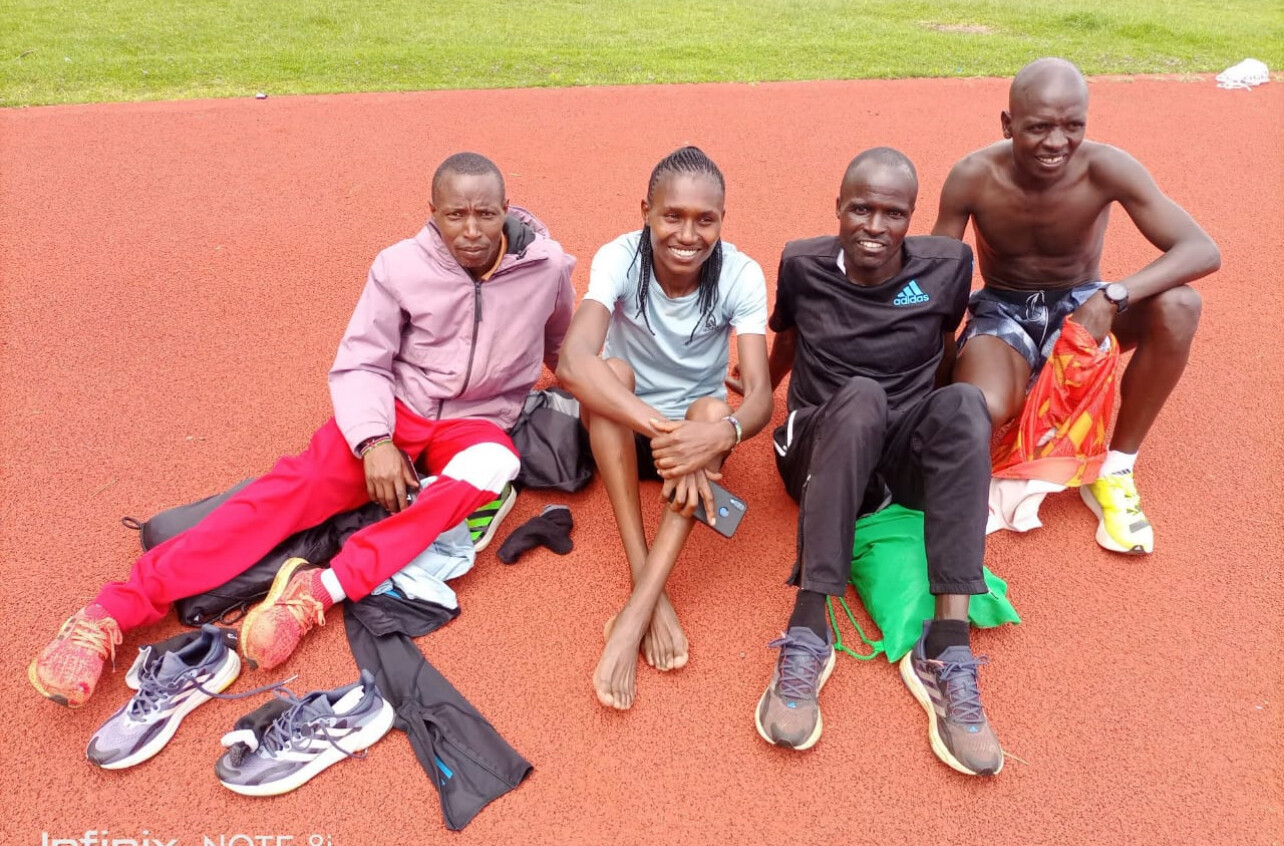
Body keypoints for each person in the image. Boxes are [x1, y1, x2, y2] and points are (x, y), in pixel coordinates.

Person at [29, 152, 577, 708]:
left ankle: (319, 590)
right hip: (397, 410)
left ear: (506, 210)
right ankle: (109, 613)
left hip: (476, 420)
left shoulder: (546, 268)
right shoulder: (399, 267)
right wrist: (375, 440)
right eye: (456, 215)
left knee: (496, 465)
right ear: (432, 212)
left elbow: (563, 347)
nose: (472, 230)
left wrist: (599, 404)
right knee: (283, 498)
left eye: (485, 214)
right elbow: (362, 361)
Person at [747, 148, 1004, 776]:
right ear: (838, 206)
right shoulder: (802, 264)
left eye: (894, 214)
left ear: (913, 217)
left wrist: (949, 437)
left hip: (897, 458)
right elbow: (788, 335)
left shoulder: (947, 267)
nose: (875, 226)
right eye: (861, 209)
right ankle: (810, 626)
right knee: (861, 395)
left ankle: (946, 644)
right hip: (820, 446)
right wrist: (759, 386)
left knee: (965, 403)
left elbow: (942, 345)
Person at [933, 57, 1220, 554]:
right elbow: (938, 276)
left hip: (1084, 306)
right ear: (1007, 124)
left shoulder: (1107, 167)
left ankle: (1115, 468)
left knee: (1179, 304)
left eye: (1072, 126)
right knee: (982, 409)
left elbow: (1201, 250)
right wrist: (934, 373)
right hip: (1005, 311)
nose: (1057, 142)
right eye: (1039, 127)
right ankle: (1021, 394)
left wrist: (1113, 296)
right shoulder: (973, 176)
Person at [557, 146, 773, 711]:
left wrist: (722, 434)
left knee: (712, 411)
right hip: (624, 427)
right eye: (672, 216)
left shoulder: (742, 274)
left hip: (692, 439)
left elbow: (759, 397)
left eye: (706, 220)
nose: (688, 234)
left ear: (723, 220)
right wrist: (664, 431)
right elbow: (572, 363)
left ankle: (633, 614)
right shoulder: (619, 258)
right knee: (612, 372)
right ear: (646, 212)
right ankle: (645, 584)